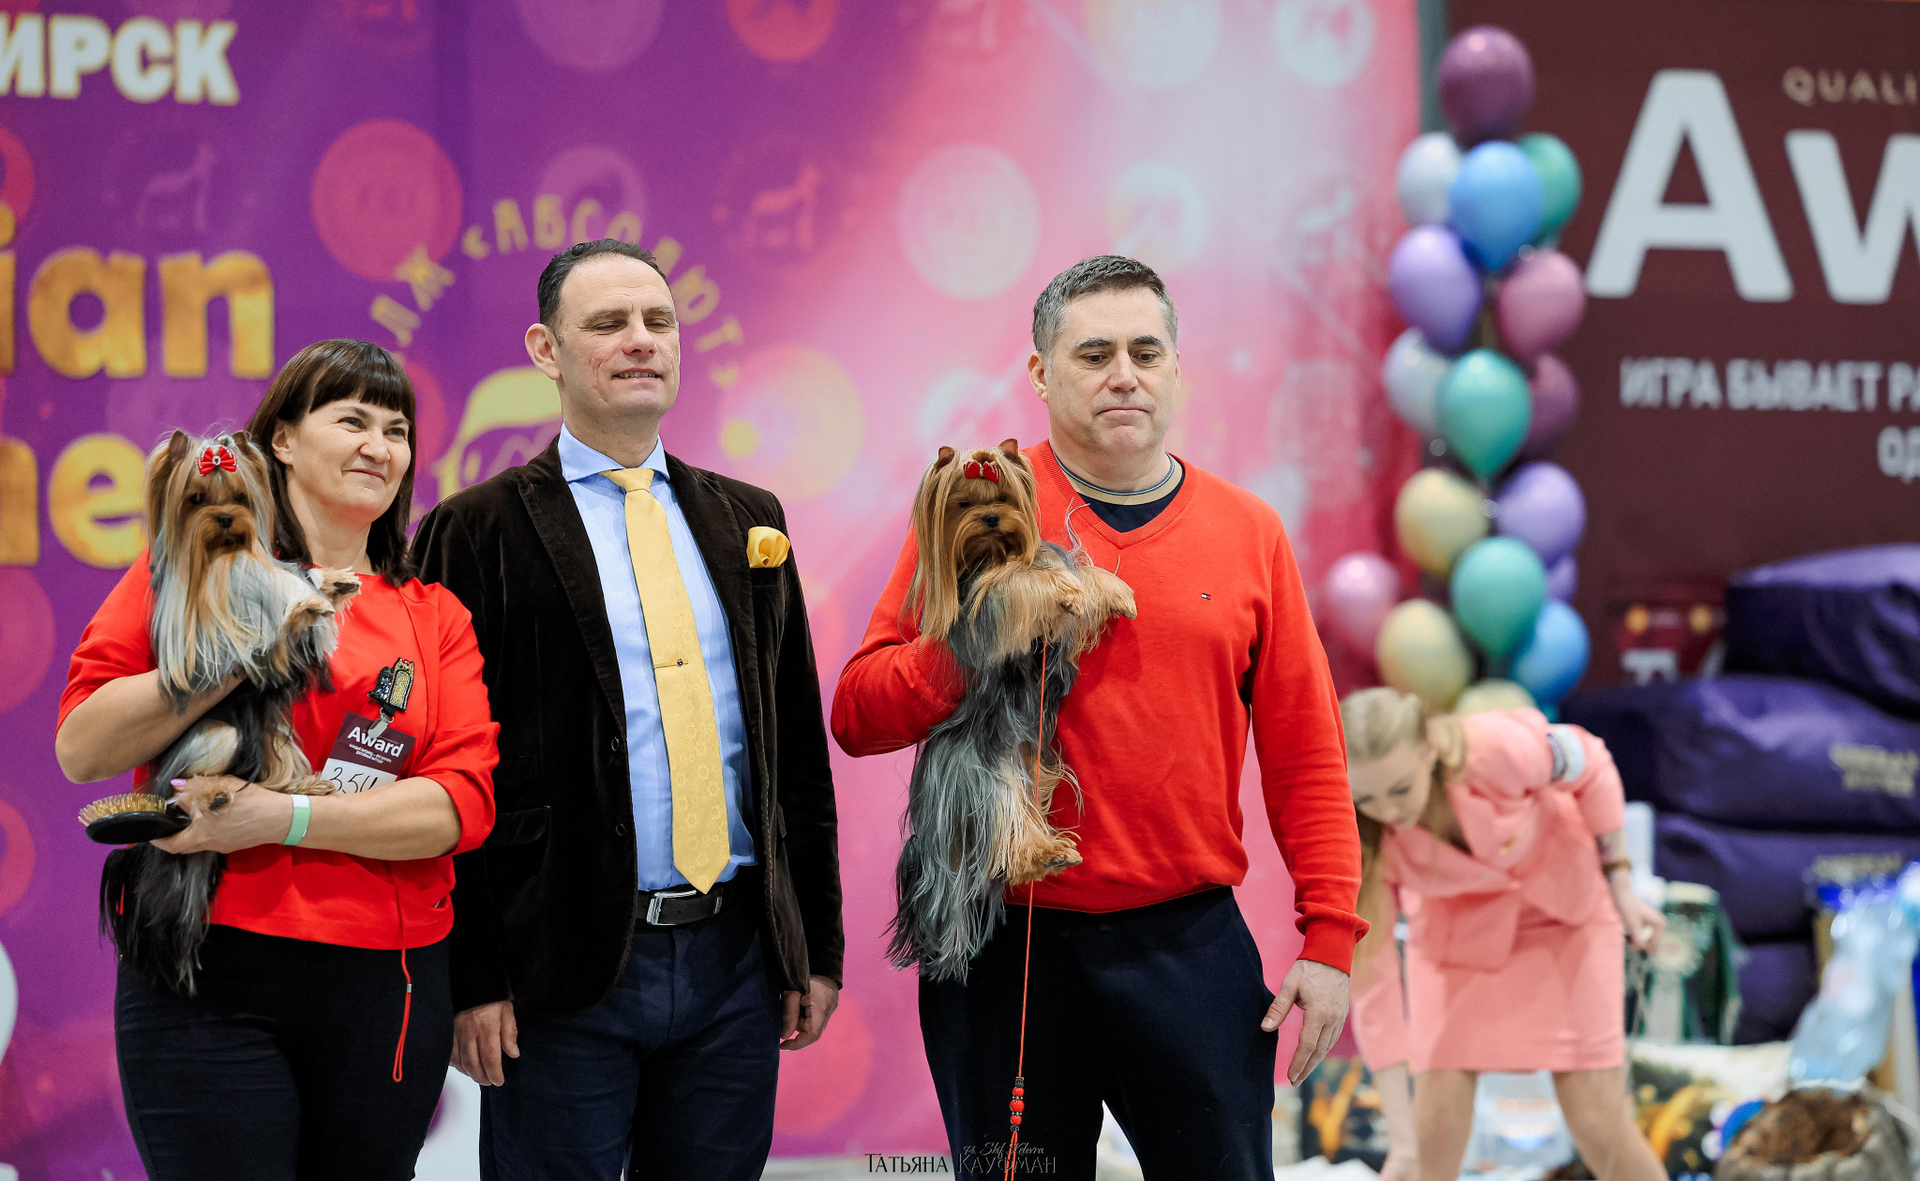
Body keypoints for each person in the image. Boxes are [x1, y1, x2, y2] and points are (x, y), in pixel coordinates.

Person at [832, 254, 1364, 1180]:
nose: (1125, 375)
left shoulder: (1249, 531)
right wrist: (975, 636)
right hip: (1005, 949)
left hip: (1190, 945)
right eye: (1094, 354)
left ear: (1177, 368)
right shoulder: (978, 504)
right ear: (1041, 374)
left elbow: (1306, 754)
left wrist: (1330, 938)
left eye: (1146, 352)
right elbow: (858, 714)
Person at [411, 238, 843, 1181]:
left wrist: (813, 946)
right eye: (607, 323)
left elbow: (794, 751)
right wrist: (472, 978)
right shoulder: (472, 531)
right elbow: (442, 770)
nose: (641, 340)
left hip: (736, 961)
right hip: (559, 964)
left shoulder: (750, 518)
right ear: (546, 350)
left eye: (658, 321)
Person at [56, 338, 499, 1181]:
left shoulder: (432, 614)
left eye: (398, 431)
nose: (379, 447)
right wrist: (250, 637)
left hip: (386, 982)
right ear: (284, 440)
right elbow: (82, 748)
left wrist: (280, 817)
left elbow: (458, 808)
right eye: (353, 421)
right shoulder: (188, 565)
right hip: (205, 965)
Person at [1340, 687, 1669, 1181]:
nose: (1387, 810)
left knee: (1596, 1122)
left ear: (1429, 748)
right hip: (1455, 943)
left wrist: (1620, 880)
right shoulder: (1358, 835)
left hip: (1566, 917)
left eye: (1400, 789)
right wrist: (1403, 1144)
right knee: (1433, 1133)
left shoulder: (1496, 747)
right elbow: (1375, 983)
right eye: (1366, 798)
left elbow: (1592, 761)